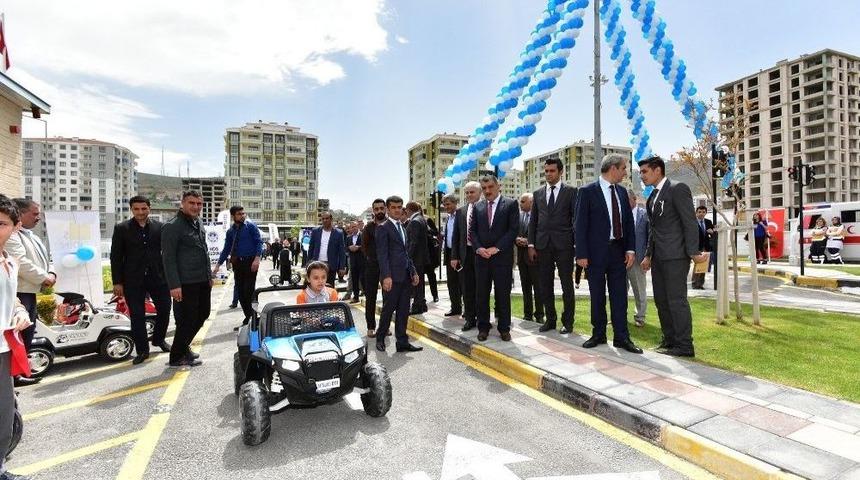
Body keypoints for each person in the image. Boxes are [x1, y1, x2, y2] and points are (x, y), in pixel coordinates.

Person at [575, 154, 642, 354]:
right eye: (623, 168)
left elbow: (628, 224)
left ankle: (622, 338)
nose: (625, 173)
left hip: (618, 252)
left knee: (620, 296)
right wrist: (581, 254)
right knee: (597, 295)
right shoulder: (587, 192)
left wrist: (630, 249)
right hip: (595, 254)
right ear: (613, 168)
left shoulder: (622, 192)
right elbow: (580, 225)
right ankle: (598, 334)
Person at [639, 155, 705, 358]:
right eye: (640, 172)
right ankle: (669, 340)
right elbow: (653, 229)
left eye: (644, 171)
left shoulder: (678, 189)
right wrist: (648, 255)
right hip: (658, 257)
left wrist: (693, 252)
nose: (641, 176)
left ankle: (685, 345)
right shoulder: (652, 197)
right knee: (661, 300)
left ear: (657, 170)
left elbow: (690, 223)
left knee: (676, 301)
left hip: (676, 256)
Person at [110, 195, 173, 365]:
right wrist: (117, 282)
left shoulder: (160, 227)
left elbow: (168, 252)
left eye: (144, 208)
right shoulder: (122, 228)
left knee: (165, 309)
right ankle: (142, 350)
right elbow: (116, 257)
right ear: (131, 210)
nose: (140, 212)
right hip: (133, 279)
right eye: (136, 209)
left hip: (158, 277)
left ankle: (159, 339)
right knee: (137, 316)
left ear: (149, 208)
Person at [0, 197, 35, 480]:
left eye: (1, 224)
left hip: (5, 347)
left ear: (15, 227)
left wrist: (20, 311)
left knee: (5, 412)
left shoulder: (10, 262)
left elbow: (11, 300)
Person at [6, 199, 54, 386]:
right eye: (34, 214)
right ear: (19, 214)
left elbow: (44, 258)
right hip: (19, 292)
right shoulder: (12, 235)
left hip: (29, 290)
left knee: (27, 333)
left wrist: (51, 273)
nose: (38, 218)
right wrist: (44, 278)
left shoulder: (29, 234)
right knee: (19, 334)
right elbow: (22, 263)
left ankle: (18, 373)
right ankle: (13, 377)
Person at [528, 158, 578, 334]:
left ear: (560, 172)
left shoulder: (571, 192)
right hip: (543, 246)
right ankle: (550, 320)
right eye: (546, 171)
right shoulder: (538, 193)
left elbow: (576, 220)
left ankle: (568, 322)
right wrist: (531, 245)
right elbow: (533, 221)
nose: (548, 174)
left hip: (564, 246)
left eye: (552, 171)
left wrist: (576, 245)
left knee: (566, 285)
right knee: (545, 285)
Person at [162, 191, 212, 367]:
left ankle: (183, 347)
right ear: (182, 203)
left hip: (202, 279)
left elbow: (204, 250)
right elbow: (168, 258)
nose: (196, 207)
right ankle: (176, 356)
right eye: (192, 203)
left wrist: (209, 276)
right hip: (185, 282)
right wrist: (174, 285)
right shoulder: (172, 226)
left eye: (199, 204)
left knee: (203, 313)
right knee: (187, 319)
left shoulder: (198, 222)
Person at [471, 175, 519, 342]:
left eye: (491, 187)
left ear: (498, 186)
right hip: (482, 259)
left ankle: (504, 328)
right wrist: (479, 248)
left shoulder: (511, 204)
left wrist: (496, 248)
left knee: (503, 294)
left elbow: (513, 230)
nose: (487, 191)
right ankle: (483, 327)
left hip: (502, 259)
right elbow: (473, 231)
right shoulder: (477, 206)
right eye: (484, 188)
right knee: (482, 295)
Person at [375, 196, 421, 352]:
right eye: (393, 207)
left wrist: (413, 271)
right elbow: (382, 255)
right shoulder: (383, 228)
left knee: (403, 311)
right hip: (392, 277)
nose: (397, 210)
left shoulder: (403, 227)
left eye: (399, 207)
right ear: (387, 209)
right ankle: (380, 337)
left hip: (406, 276)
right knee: (388, 310)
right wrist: (386, 276)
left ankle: (402, 342)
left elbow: (406, 253)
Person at [215, 206, 263, 330]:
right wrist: (218, 265)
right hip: (238, 264)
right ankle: (249, 317)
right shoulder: (230, 231)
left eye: (243, 213)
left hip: (250, 263)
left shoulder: (250, 226)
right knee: (240, 293)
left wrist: (257, 259)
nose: (242, 216)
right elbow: (226, 249)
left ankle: (253, 318)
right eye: (239, 214)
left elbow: (259, 242)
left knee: (248, 291)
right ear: (233, 216)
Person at [451, 182, 482, 331]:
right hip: (465, 255)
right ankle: (470, 319)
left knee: (481, 288)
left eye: (472, 192)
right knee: (467, 288)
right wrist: (454, 256)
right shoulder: (460, 211)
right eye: (467, 192)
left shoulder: (485, 208)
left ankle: (482, 318)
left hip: (481, 254)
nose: (469, 195)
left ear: (480, 193)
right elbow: (456, 236)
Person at [516, 193, 543, 322]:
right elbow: (514, 232)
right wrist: (516, 239)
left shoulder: (539, 216)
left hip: (535, 258)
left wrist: (529, 242)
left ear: (531, 202)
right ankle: (527, 314)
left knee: (538, 288)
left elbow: (542, 234)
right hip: (522, 258)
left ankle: (539, 315)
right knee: (525, 288)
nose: (520, 204)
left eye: (522, 201)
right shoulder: (519, 216)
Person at [362, 199, 387, 337]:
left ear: (385, 209)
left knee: (387, 298)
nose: (379, 211)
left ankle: (385, 327)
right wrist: (371, 259)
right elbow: (364, 247)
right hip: (371, 266)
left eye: (381, 208)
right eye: (376, 209)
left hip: (387, 267)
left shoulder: (390, 225)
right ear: (373, 211)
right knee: (371, 297)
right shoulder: (368, 228)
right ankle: (371, 326)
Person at [626, 191, 649, 328]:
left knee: (639, 289)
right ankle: (619, 315)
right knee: (619, 289)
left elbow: (649, 237)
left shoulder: (644, 214)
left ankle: (640, 316)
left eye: (627, 200)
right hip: (620, 259)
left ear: (634, 199)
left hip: (638, 258)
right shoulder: (619, 214)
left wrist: (648, 256)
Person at [307, 211, 347, 286]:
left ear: (331, 219)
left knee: (329, 288)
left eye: (327, 218)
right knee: (316, 286)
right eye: (323, 219)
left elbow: (341, 251)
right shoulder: (315, 231)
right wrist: (308, 264)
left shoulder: (338, 233)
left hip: (331, 266)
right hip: (317, 264)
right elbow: (311, 248)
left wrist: (342, 267)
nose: (325, 220)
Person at [405, 202, 430, 314]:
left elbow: (413, 242)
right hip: (420, 257)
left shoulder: (415, 221)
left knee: (416, 283)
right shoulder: (421, 219)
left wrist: (408, 257)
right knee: (420, 283)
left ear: (409, 209)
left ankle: (417, 306)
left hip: (416, 258)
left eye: (406, 209)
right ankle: (422, 304)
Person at [441, 194, 462, 317]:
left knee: (463, 283)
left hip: (459, 255)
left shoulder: (462, 215)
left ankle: (468, 309)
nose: (446, 207)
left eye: (448, 204)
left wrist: (457, 256)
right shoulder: (448, 218)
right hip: (449, 253)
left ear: (455, 203)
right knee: (452, 282)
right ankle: (455, 307)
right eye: (444, 205)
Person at [691, 206, 714, 289]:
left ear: (706, 213)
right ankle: (695, 283)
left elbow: (713, 234)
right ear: (696, 213)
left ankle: (700, 284)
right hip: (696, 247)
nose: (701, 214)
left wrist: (712, 232)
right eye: (699, 212)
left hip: (706, 247)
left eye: (703, 212)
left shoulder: (708, 222)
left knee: (704, 265)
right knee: (697, 265)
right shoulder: (692, 222)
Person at [345, 222, 364, 303]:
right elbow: (345, 248)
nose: (353, 228)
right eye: (352, 227)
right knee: (354, 280)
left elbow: (366, 246)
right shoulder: (348, 238)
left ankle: (366, 295)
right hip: (353, 262)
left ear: (358, 226)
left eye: (355, 226)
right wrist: (349, 248)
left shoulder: (363, 235)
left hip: (362, 262)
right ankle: (356, 297)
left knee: (363, 279)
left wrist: (358, 247)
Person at [425, 215, 441, 303]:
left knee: (431, 275)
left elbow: (436, 232)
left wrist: (428, 230)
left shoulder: (427, 219)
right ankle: (421, 297)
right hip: (420, 254)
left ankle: (435, 295)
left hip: (429, 254)